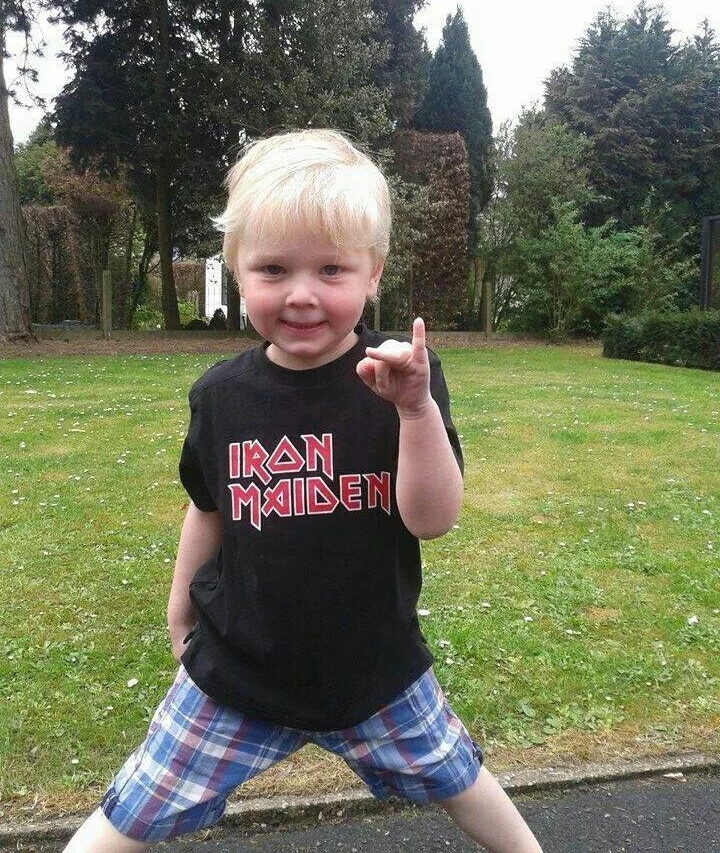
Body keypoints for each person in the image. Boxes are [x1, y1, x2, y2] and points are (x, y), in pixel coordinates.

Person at [63, 129, 543, 853]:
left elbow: (433, 518)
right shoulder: (222, 395)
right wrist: (178, 610)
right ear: (238, 270)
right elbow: (208, 507)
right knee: (132, 810)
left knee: (460, 777)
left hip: (375, 672)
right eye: (273, 269)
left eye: (331, 269)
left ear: (373, 272)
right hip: (237, 672)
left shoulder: (403, 378)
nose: (301, 295)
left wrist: (416, 411)